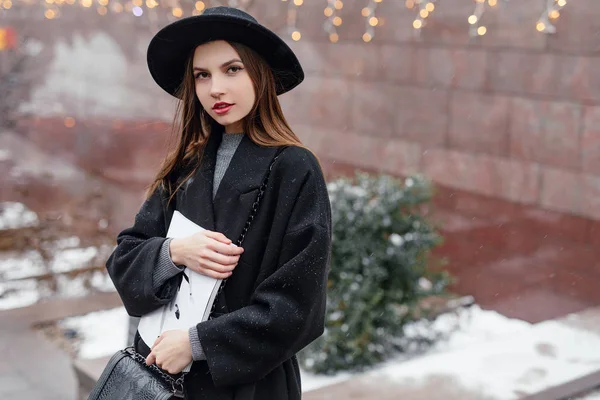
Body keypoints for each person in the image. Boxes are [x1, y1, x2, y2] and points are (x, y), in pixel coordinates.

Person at [105, 6, 332, 400]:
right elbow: (124, 260)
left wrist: (197, 343)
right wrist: (174, 252)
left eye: (232, 70)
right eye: (202, 75)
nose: (215, 89)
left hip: (249, 386)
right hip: (162, 382)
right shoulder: (186, 165)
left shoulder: (294, 168)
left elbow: (299, 307)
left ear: (259, 74)